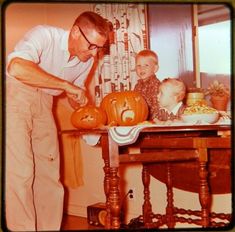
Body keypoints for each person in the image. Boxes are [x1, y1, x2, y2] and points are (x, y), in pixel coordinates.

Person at [5, 11, 111, 231]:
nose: (94, 54)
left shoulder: (85, 61)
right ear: (75, 32)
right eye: (92, 46)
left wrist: (82, 105)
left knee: (50, 176)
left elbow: (75, 97)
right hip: (15, 94)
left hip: (45, 102)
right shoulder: (44, 35)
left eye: (99, 49)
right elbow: (16, 67)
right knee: (21, 172)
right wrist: (65, 85)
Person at [134, 49, 161, 120]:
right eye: (138, 65)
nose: (142, 68)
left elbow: (156, 107)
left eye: (146, 65)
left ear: (155, 68)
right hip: (140, 120)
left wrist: (153, 121)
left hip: (152, 121)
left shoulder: (156, 85)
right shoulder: (137, 85)